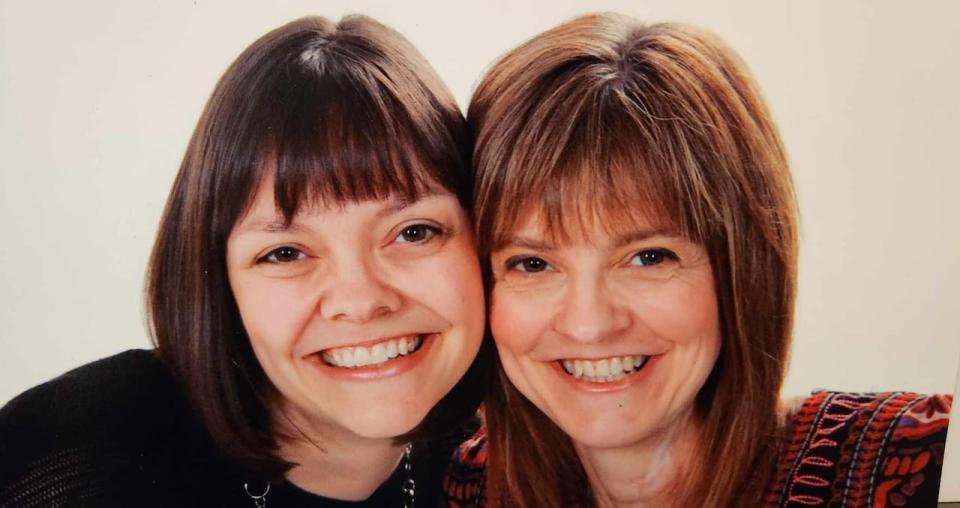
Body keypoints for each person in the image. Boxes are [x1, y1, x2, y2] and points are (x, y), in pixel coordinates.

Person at [443, 12, 952, 507]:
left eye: (649, 257)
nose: (590, 324)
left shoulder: (922, 461)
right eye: (532, 264)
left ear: (741, 266)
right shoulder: (459, 485)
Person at [0, 15, 489, 507]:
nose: (360, 301)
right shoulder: (80, 451)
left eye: (413, 232)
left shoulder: (494, 469)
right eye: (285, 253)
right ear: (218, 279)